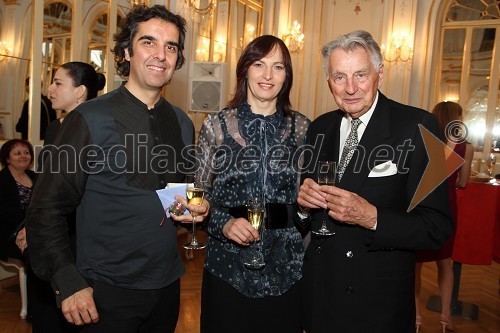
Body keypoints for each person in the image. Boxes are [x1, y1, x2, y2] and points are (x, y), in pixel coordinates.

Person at [25, 5, 208, 332]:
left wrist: (193, 207)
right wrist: (68, 281)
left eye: (171, 47)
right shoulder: (89, 118)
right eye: (148, 42)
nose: (160, 55)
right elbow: (46, 207)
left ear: (178, 59)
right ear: (126, 51)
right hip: (103, 290)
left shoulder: (181, 121)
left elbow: (171, 191)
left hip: (167, 284)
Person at [296, 30, 453, 333]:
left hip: (378, 305)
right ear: (328, 81)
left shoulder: (422, 126)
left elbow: (438, 227)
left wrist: (373, 218)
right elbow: (304, 217)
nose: (350, 88)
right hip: (321, 297)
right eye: (339, 77)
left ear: (380, 73)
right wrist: (302, 208)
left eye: (361, 75)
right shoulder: (319, 128)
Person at [193, 35, 310, 333]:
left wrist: (306, 215)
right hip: (227, 266)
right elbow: (197, 197)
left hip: (287, 268)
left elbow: (307, 200)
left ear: (287, 76)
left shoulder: (302, 128)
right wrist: (223, 224)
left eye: (278, 67)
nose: (268, 75)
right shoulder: (216, 126)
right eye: (259, 64)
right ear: (245, 69)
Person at [15, 61, 106, 333]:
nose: (50, 89)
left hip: (77, 231)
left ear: (80, 92)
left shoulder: (95, 129)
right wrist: (29, 225)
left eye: (58, 83)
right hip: (50, 227)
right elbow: (45, 185)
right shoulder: (56, 128)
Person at [415, 101, 474, 332]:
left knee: (417, 265)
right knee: (446, 264)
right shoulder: (466, 147)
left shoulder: (425, 142)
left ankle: (417, 316)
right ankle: (446, 316)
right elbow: (463, 182)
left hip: (422, 202)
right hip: (447, 205)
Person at [0, 139, 35, 262]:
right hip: (11, 235)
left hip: (36, 229)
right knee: (41, 252)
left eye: (26, 152)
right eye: (17, 153)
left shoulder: (36, 176)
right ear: (7, 159)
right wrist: (31, 215)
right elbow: (3, 211)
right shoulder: (2, 179)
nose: (23, 156)